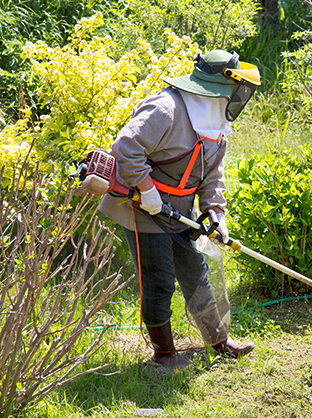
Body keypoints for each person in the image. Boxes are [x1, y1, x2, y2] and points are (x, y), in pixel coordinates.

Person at [98, 50, 261, 369]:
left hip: (180, 210)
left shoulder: (216, 121)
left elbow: (213, 173)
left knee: (196, 272)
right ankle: (164, 355)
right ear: (219, 85)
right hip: (143, 207)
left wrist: (215, 211)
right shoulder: (166, 109)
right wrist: (146, 188)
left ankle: (219, 341)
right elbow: (125, 148)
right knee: (159, 280)